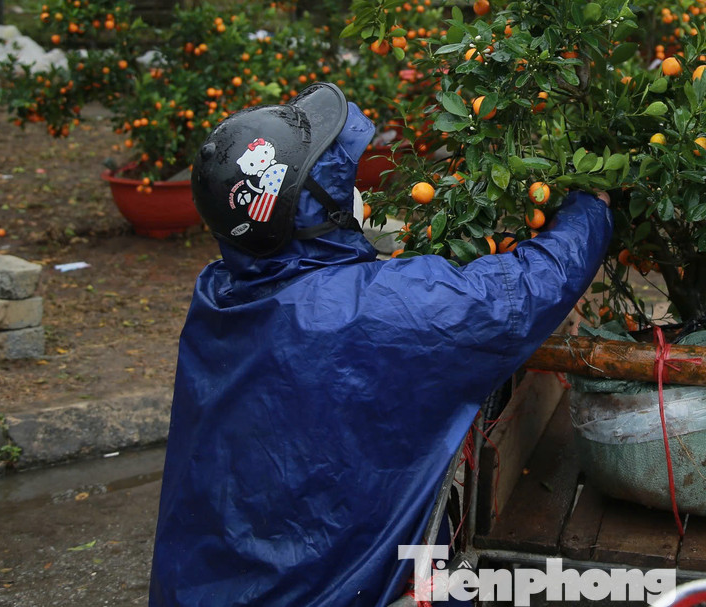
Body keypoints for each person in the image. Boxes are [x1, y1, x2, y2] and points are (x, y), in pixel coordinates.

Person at [149, 82, 613, 607]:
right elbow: (523, 291)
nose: (354, 185)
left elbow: (318, 283)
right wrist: (590, 209)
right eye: (339, 175)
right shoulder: (374, 309)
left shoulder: (219, 295)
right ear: (308, 209)